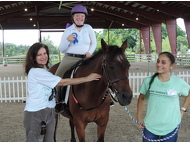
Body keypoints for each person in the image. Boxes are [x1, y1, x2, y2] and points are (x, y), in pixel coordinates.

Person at [23, 42, 101, 142]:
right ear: (33, 57)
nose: (43, 57)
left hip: (50, 111)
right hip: (37, 113)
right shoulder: (36, 72)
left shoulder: (43, 71)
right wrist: (87, 78)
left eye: (45, 53)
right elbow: (62, 82)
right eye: (39, 54)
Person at [137, 52, 190, 142]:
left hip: (171, 127)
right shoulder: (148, 81)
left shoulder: (178, 82)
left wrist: (183, 109)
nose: (159, 64)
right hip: (150, 127)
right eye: (158, 61)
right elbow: (141, 98)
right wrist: (139, 117)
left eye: (163, 62)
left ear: (172, 66)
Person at [54, 4, 97, 112]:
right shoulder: (68, 31)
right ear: (73, 17)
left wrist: (90, 52)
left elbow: (94, 43)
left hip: (85, 58)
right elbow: (62, 49)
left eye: (82, 16)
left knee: (100, 74)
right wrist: (67, 40)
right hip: (70, 58)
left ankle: (106, 99)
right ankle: (59, 101)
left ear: (85, 17)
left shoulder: (88, 28)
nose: (79, 18)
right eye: (77, 16)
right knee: (58, 77)